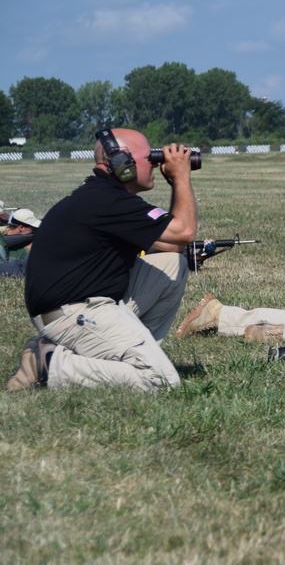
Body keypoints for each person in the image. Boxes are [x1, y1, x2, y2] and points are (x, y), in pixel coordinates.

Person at [6, 128, 197, 391]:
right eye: (149, 158)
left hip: (85, 304)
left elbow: (174, 245)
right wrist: (182, 177)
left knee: (173, 265)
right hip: (73, 313)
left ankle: (128, 356)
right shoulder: (107, 202)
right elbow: (185, 232)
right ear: (122, 163)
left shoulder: (106, 197)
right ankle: (50, 363)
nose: (157, 163)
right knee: (161, 381)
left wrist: (176, 182)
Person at [0, 208, 43, 278]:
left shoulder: (20, 246)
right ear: (21, 227)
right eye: (34, 228)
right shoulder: (2, 243)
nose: (35, 231)